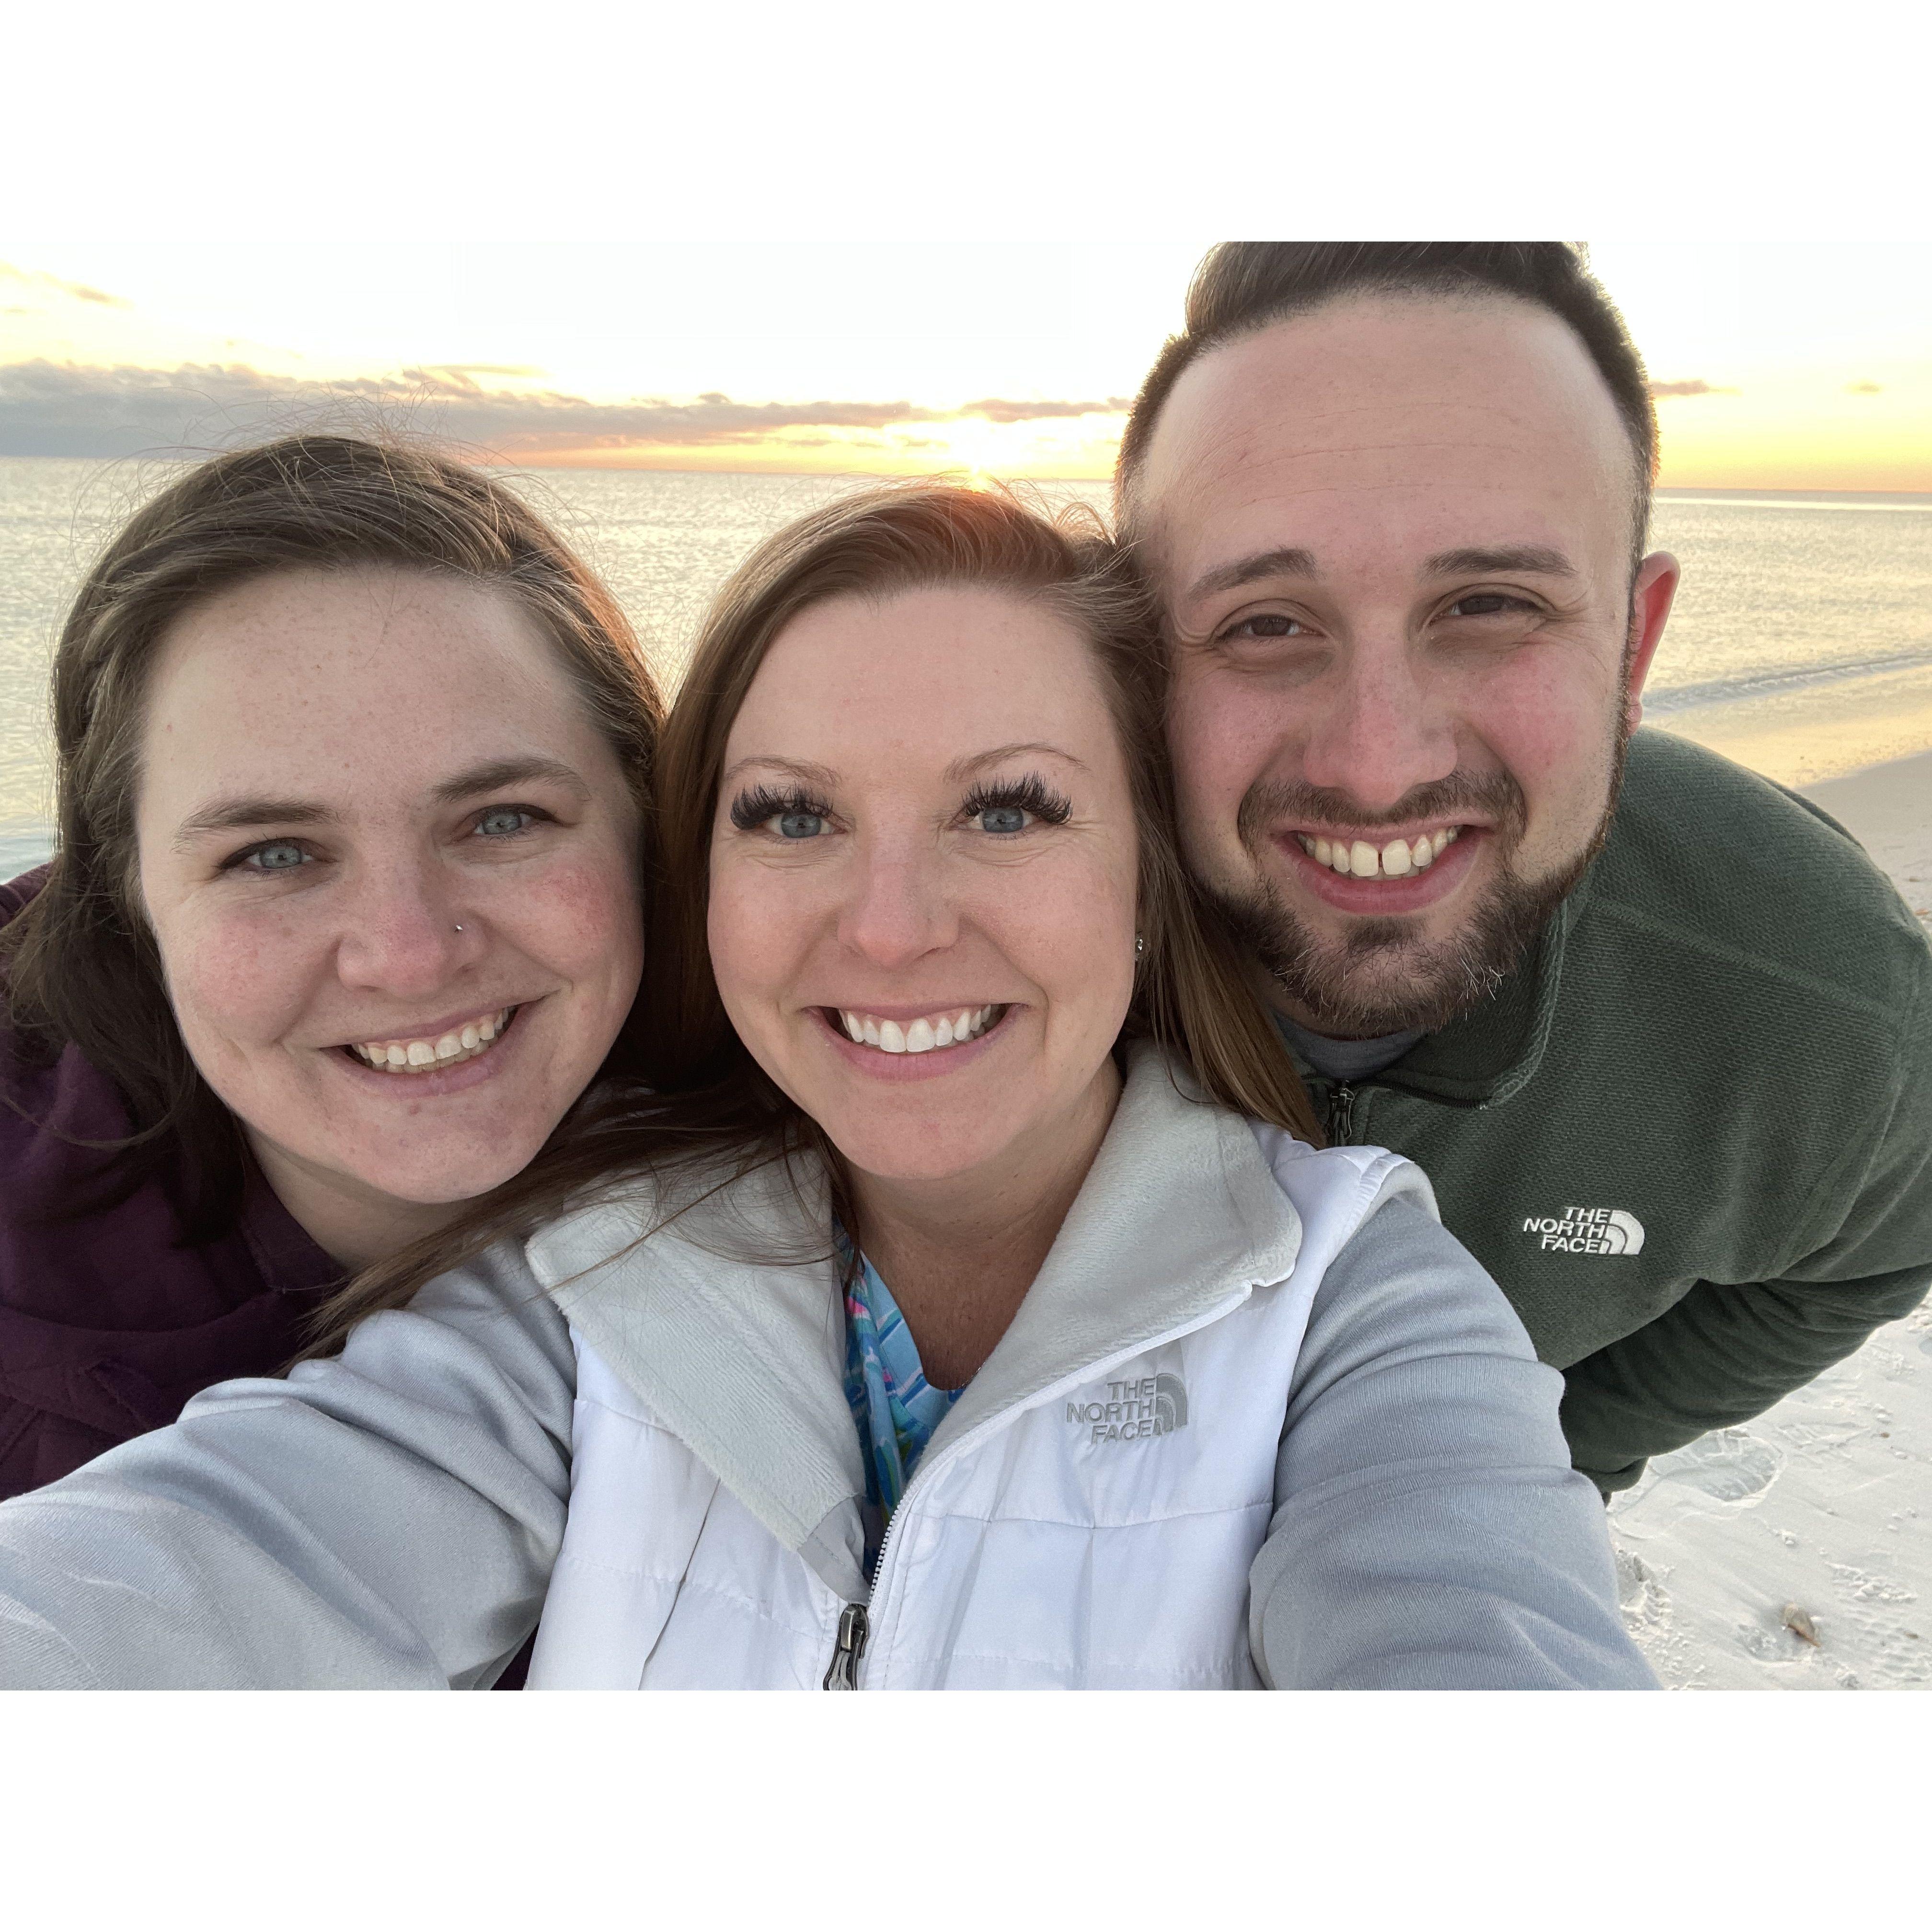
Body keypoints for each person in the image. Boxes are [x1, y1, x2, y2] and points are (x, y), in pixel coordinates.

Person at [0, 482, 1653, 1689]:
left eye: (1006, 807)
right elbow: (224, 1560)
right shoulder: (587, 1286)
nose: (889, 926)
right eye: (790, 813)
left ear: (1151, 870)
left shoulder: (1349, 1305)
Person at [1118, 242, 1932, 1496]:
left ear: (1634, 645)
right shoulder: (966, 951)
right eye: (1266, 623)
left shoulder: (1827, 1011)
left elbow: (1882, 1246)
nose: (1377, 766)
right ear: (1135, 657)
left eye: (1492, 605)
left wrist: (1549, 1448)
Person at [0, 434, 661, 1501]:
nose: (404, 953)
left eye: (501, 819)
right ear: (124, 896)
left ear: (648, 823)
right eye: (272, 854)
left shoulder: (868, 1184)